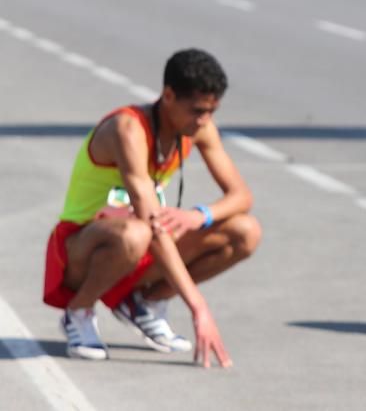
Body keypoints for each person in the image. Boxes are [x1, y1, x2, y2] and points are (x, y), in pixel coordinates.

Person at [43, 48, 261, 367]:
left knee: (245, 231)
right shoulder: (127, 129)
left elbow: (241, 196)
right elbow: (152, 225)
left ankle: (144, 302)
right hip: (83, 248)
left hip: (142, 241)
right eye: (197, 111)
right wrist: (199, 308)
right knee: (136, 232)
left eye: (211, 112)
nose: (203, 121)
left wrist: (198, 215)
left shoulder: (198, 129)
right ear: (169, 95)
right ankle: (79, 311)